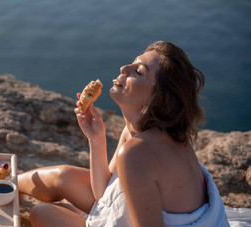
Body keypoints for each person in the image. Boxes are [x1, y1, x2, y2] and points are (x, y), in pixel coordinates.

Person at [17, 41, 229, 226]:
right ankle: (9, 182)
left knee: (42, 213)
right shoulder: (137, 131)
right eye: (133, 63)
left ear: (157, 99)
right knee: (63, 177)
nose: (124, 68)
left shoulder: (139, 152)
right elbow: (104, 195)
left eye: (139, 72)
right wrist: (97, 139)